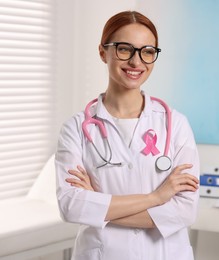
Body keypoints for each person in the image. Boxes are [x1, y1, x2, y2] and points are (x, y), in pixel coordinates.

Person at [55, 10, 200, 260]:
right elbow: (72, 206)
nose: (136, 62)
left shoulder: (175, 124)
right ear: (103, 52)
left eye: (147, 51)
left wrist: (99, 204)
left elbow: (184, 211)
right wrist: (156, 197)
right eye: (124, 49)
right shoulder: (76, 129)